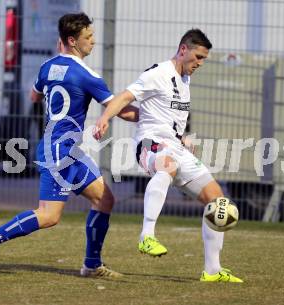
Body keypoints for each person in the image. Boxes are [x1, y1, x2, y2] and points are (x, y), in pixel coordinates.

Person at [0, 12, 138, 278]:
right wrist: (153, 117)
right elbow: (123, 111)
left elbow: (34, 95)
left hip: (67, 150)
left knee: (104, 199)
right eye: (88, 37)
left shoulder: (47, 66)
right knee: (49, 215)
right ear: (72, 40)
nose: (93, 41)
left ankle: (92, 265)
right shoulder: (87, 75)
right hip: (59, 152)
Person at [94, 29, 243, 282]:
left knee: (216, 199)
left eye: (203, 59)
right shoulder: (158, 74)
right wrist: (104, 119)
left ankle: (213, 271)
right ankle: (147, 236)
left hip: (175, 146)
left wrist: (182, 135)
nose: (200, 63)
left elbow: (166, 115)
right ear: (183, 49)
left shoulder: (185, 79)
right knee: (168, 164)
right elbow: (125, 97)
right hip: (150, 144)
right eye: (198, 57)